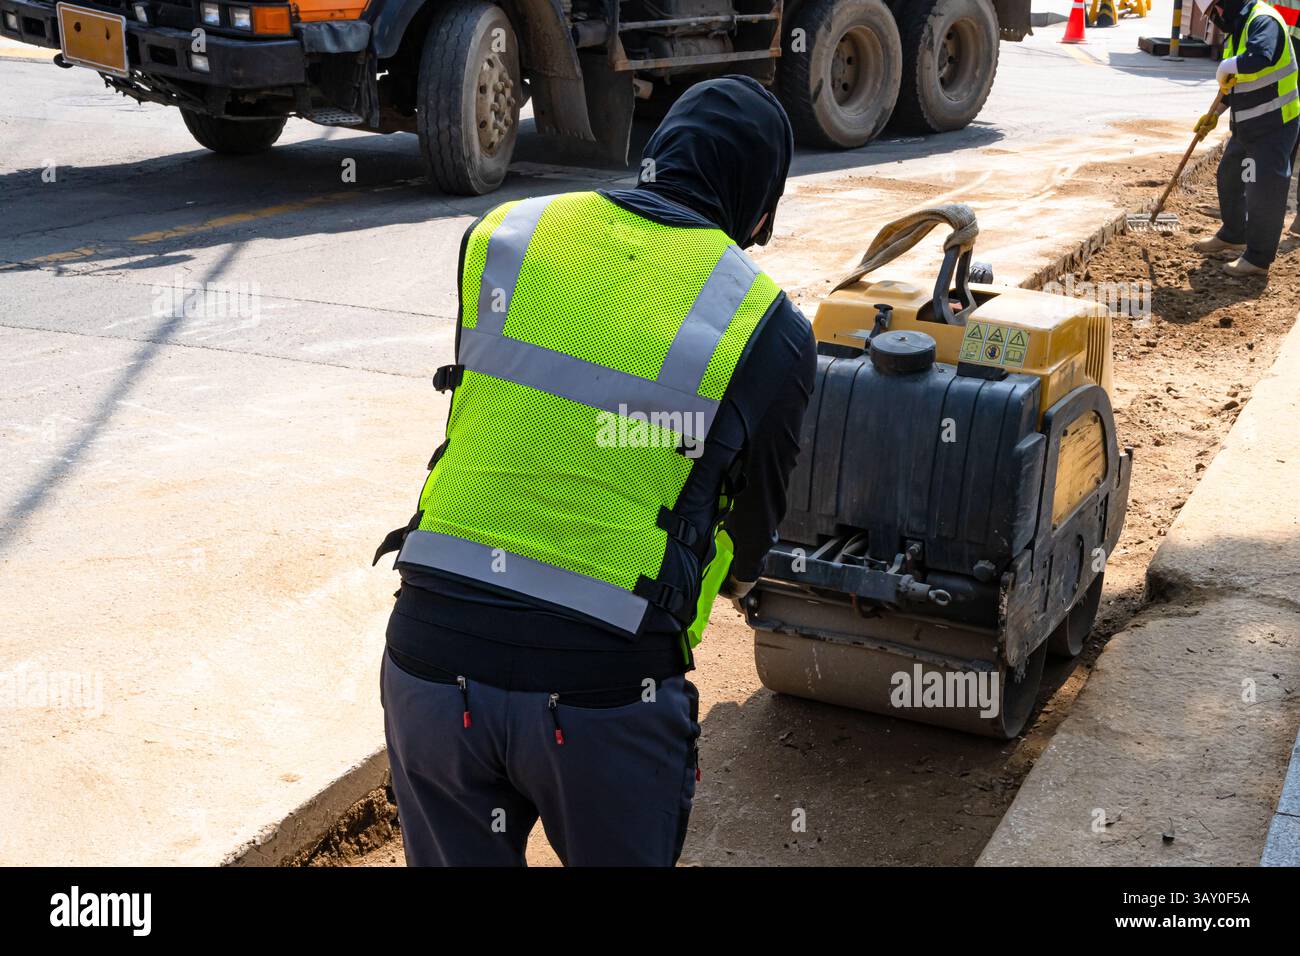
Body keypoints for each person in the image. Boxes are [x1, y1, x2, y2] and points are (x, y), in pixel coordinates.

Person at [373, 76, 817, 867]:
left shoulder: (506, 234)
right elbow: (754, 525)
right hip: (604, 692)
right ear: (760, 210)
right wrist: (743, 578)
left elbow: (484, 413)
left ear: (657, 155)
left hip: (430, 663)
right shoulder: (769, 326)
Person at [1192, 0, 1299, 273]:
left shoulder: (1264, 21)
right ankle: (1234, 234)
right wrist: (1214, 114)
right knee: (1229, 176)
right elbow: (1232, 84)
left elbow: (1259, 58)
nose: (1215, 17)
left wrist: (1230, 64)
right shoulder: (1239, 29)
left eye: (1214, 10)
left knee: (1263, 189)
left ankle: (1258, 258)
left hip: (1274, 123)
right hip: (1248, 125)